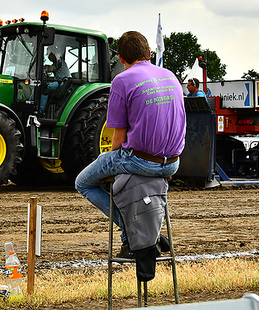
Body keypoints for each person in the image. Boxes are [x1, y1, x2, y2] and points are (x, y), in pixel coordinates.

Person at [75, 31, 186, 258]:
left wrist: (112, 164)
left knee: (83, 182)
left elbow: (118, 137)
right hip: (173, 163)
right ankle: (145, 236)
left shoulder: (122, 80)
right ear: (148, 53)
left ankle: (133, 234)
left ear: (122, 59)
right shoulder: (170, 76)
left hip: (140, 161)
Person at [40, 47, 71, 112]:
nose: (48, 57)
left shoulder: (59, 61)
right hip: (61, 82)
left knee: (45, 86)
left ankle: (40, 110)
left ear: (53, 53)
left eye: (49, 55)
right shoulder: (57, 62)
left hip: (63, 84)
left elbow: (50, 69)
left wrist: (41, 68)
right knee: (39, 85)